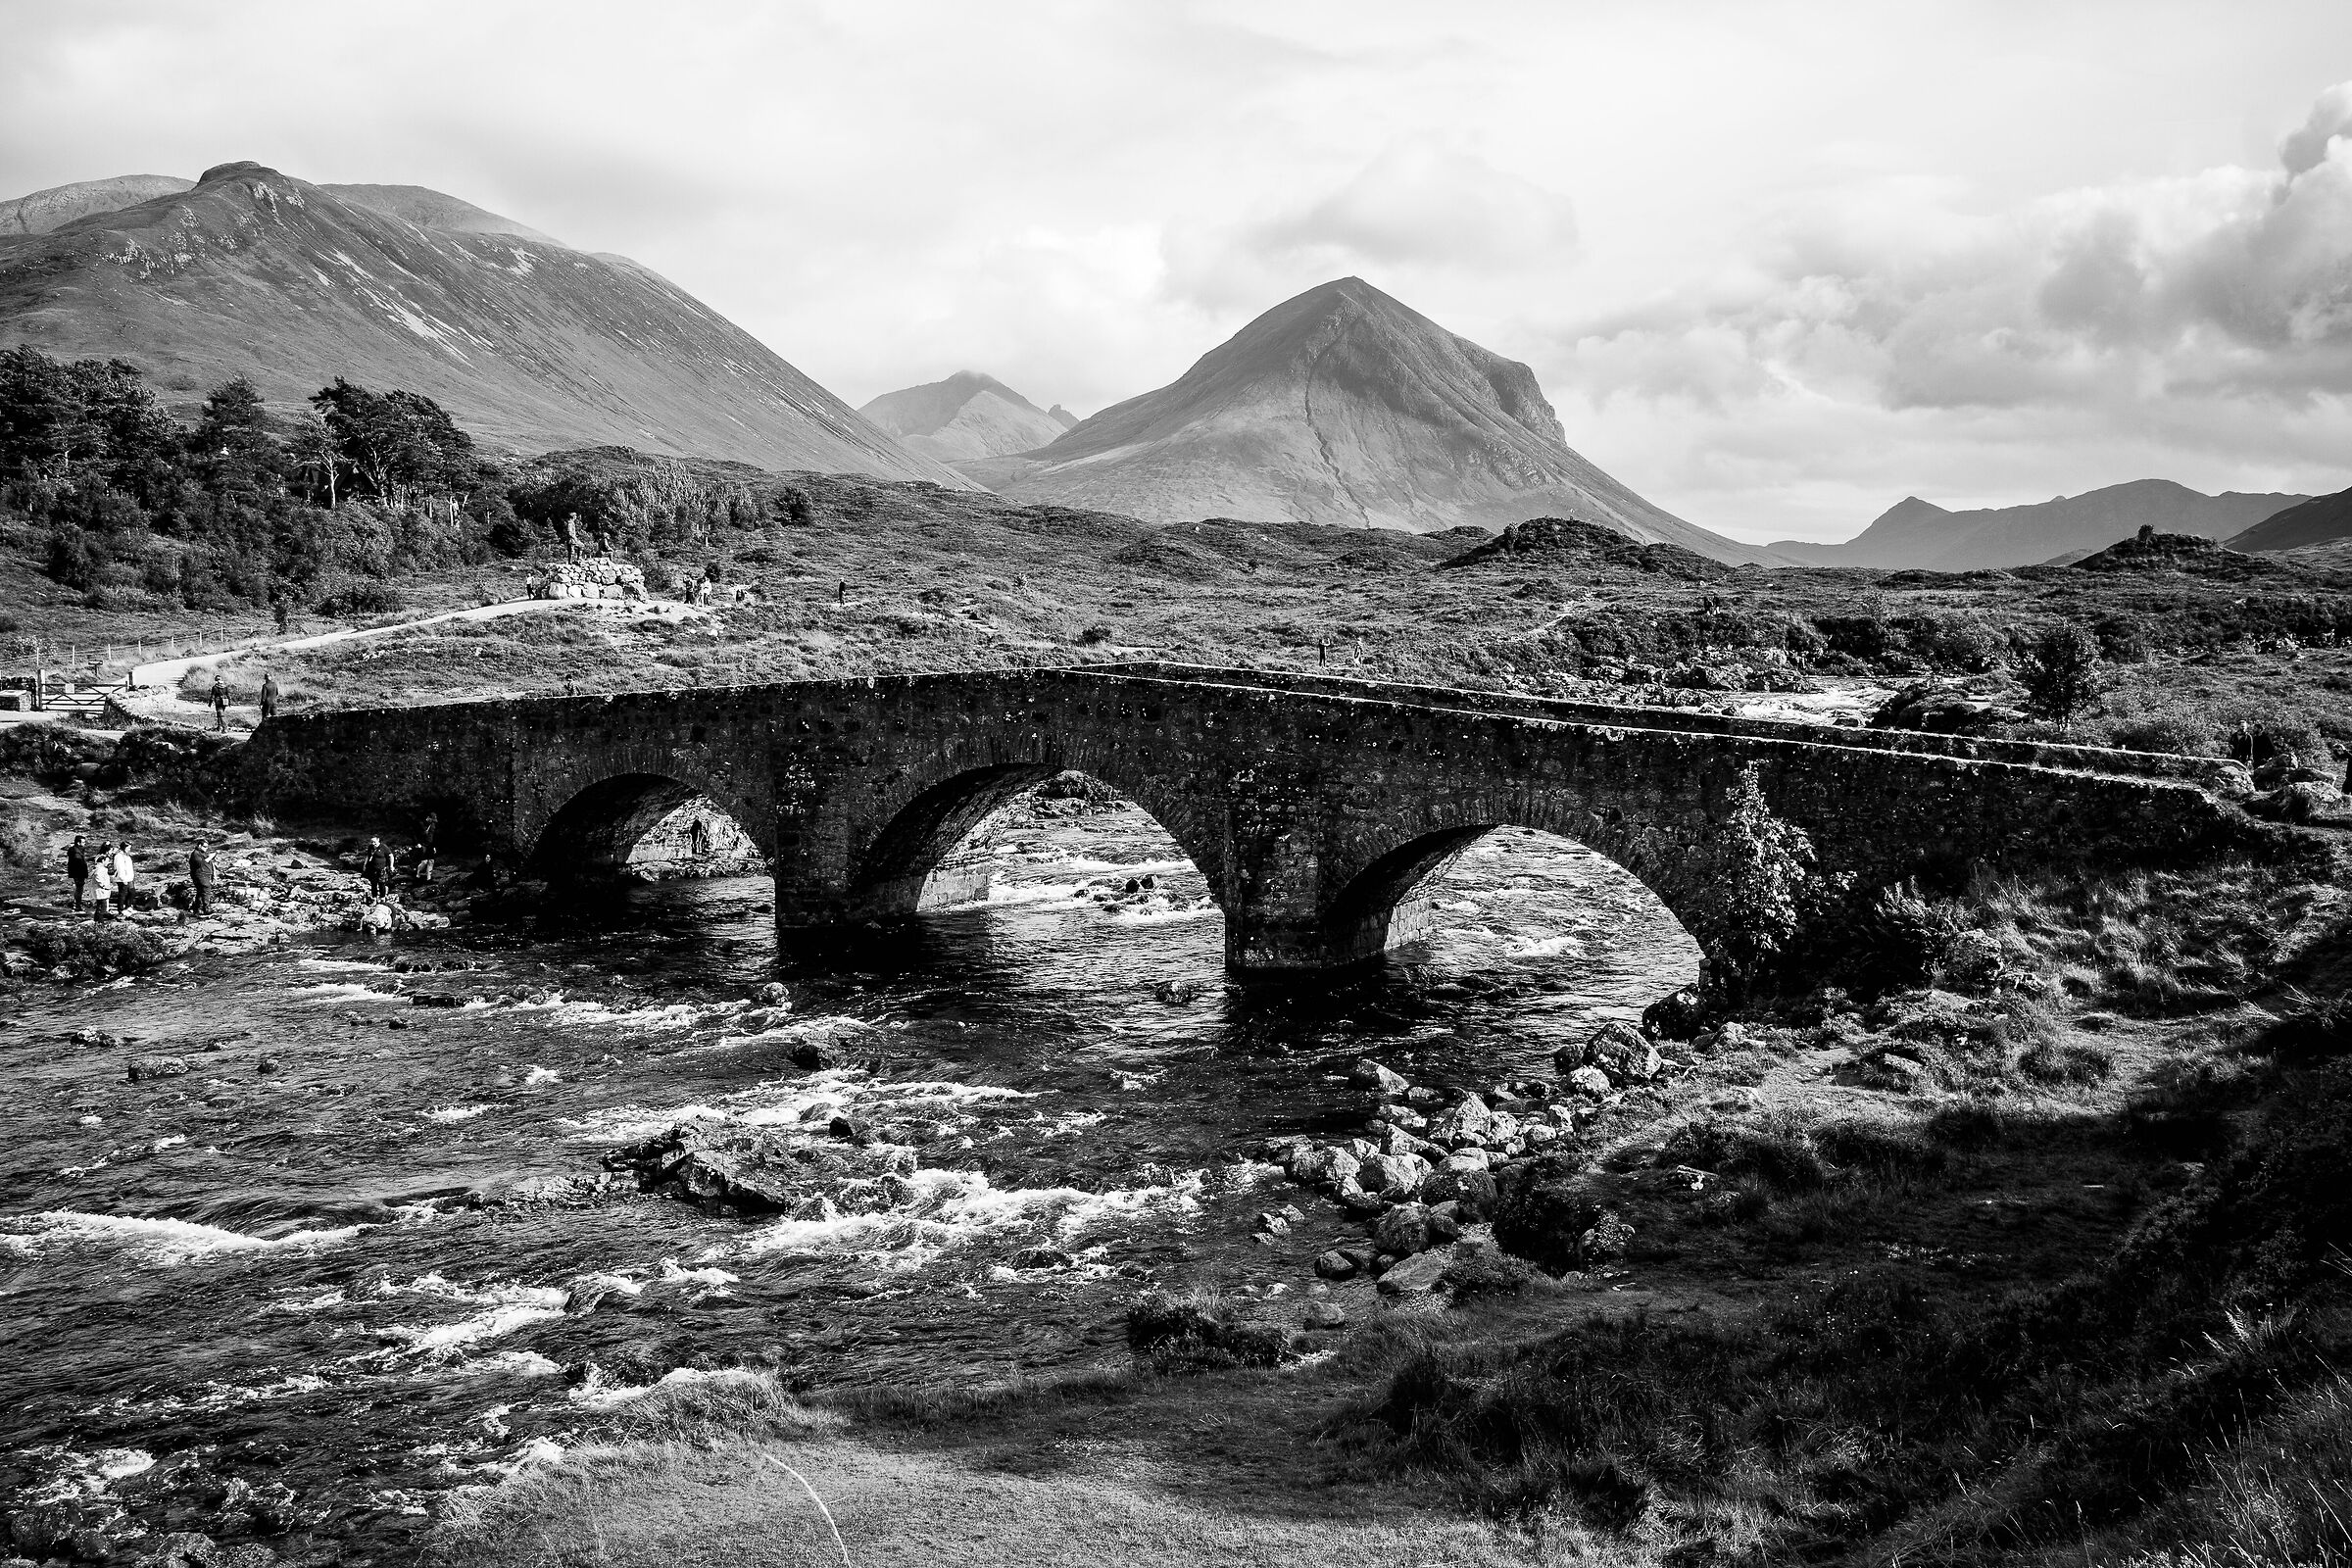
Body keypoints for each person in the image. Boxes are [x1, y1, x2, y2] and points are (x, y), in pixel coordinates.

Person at [188, 843, 216, 916]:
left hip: (204, 875)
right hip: (201, 875)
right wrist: (210, 857)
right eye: (205, 846)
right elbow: (200, 863)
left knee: (201, 891)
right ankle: (206, 908)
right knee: (206, 889)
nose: (206, 848)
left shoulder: (201, 853)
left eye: (207, 847)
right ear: (199, 845)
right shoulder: (195, 854)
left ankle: (197, 909)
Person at [87, 843, 114, 920]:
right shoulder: (100, 869)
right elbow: (98, 878)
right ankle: (100, 922)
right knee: (102, 907)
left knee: (100, 906)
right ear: (103, 861)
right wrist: (105, 886)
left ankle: (97, 920)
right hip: (101, 890)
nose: (108, 863)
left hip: (101, 891)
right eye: (107, 861)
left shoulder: (100, 868)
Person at [111, 841, 137, 913]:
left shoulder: (127, 856)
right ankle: (121, 909)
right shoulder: (119, 856)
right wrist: (123, 879)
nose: (129, 849)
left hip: (129, 878)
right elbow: (120, 868)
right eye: (128, 848)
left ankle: (128, 906)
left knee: (132, 892)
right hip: (122, 878)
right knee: (123, 894)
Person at [65, 835, 89, 911]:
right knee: (79, 889)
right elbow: (79, 864)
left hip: (76, 873)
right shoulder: (76, 852)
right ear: (78, 843)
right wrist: (83, 873)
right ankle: (77, 905)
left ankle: (77, 905)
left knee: (79, 889)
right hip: (78, 873)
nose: (85, 843)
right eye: (83, 842)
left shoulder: (76, 850)